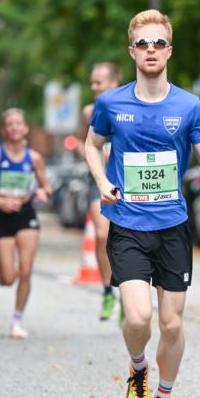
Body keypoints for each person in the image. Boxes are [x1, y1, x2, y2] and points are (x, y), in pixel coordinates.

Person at [84, 9, 200, 398]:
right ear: (132, 51)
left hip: (173, 226)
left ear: (169, 50)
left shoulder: (188, 105)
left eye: (158, 43)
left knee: (173, 324)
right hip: (127, 223)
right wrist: (102, 180)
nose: (151, 50)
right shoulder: (112, 103)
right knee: (139, 318)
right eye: (143, 44)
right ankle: (138, 368)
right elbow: (93, 146)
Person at [0, 108, 52, 339]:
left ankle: (17, 319)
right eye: (10, 124)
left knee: (26, 270)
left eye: (19, 123)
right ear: (4, 130)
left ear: (26, 128)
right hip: (1, 217)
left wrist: (43, 192)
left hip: (25, 215)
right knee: (9, 278)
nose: (15, 127)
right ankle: (3, 272)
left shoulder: (34, 158)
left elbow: (47, 185)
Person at [80, 62, 122, 321]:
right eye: (92, 83)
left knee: (123, 238)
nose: (94, 87)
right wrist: (94, 158)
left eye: (99, 82)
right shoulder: (88, 111)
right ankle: (108, 291)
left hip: (124, 182)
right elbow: (83, 144)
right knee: (102, 234)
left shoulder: (128, 107)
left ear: (114, 83)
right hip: (96, 181)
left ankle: (128, 296)